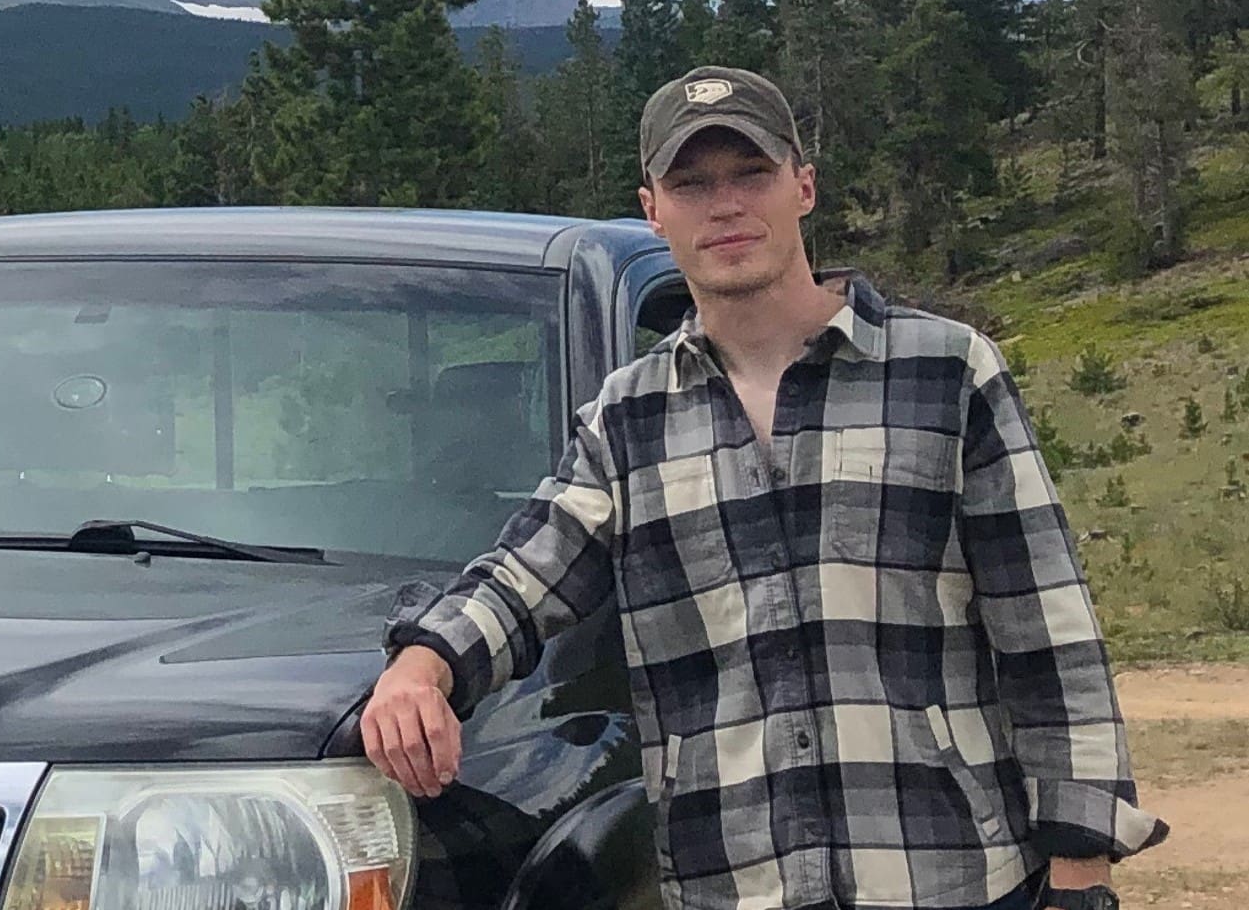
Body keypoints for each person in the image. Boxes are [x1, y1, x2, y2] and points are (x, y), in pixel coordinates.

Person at [364, 66, 1165, 910]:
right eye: (691, 182)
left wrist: (1081, 869)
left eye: (750, 173)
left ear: (802, 186)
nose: (725, 204)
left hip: (948, 874)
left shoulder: (946, 372)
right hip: (732, 883)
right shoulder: (627, 417)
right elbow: (524, 577)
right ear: (652, 209)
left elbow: (1047, 629)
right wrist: (421, 666)